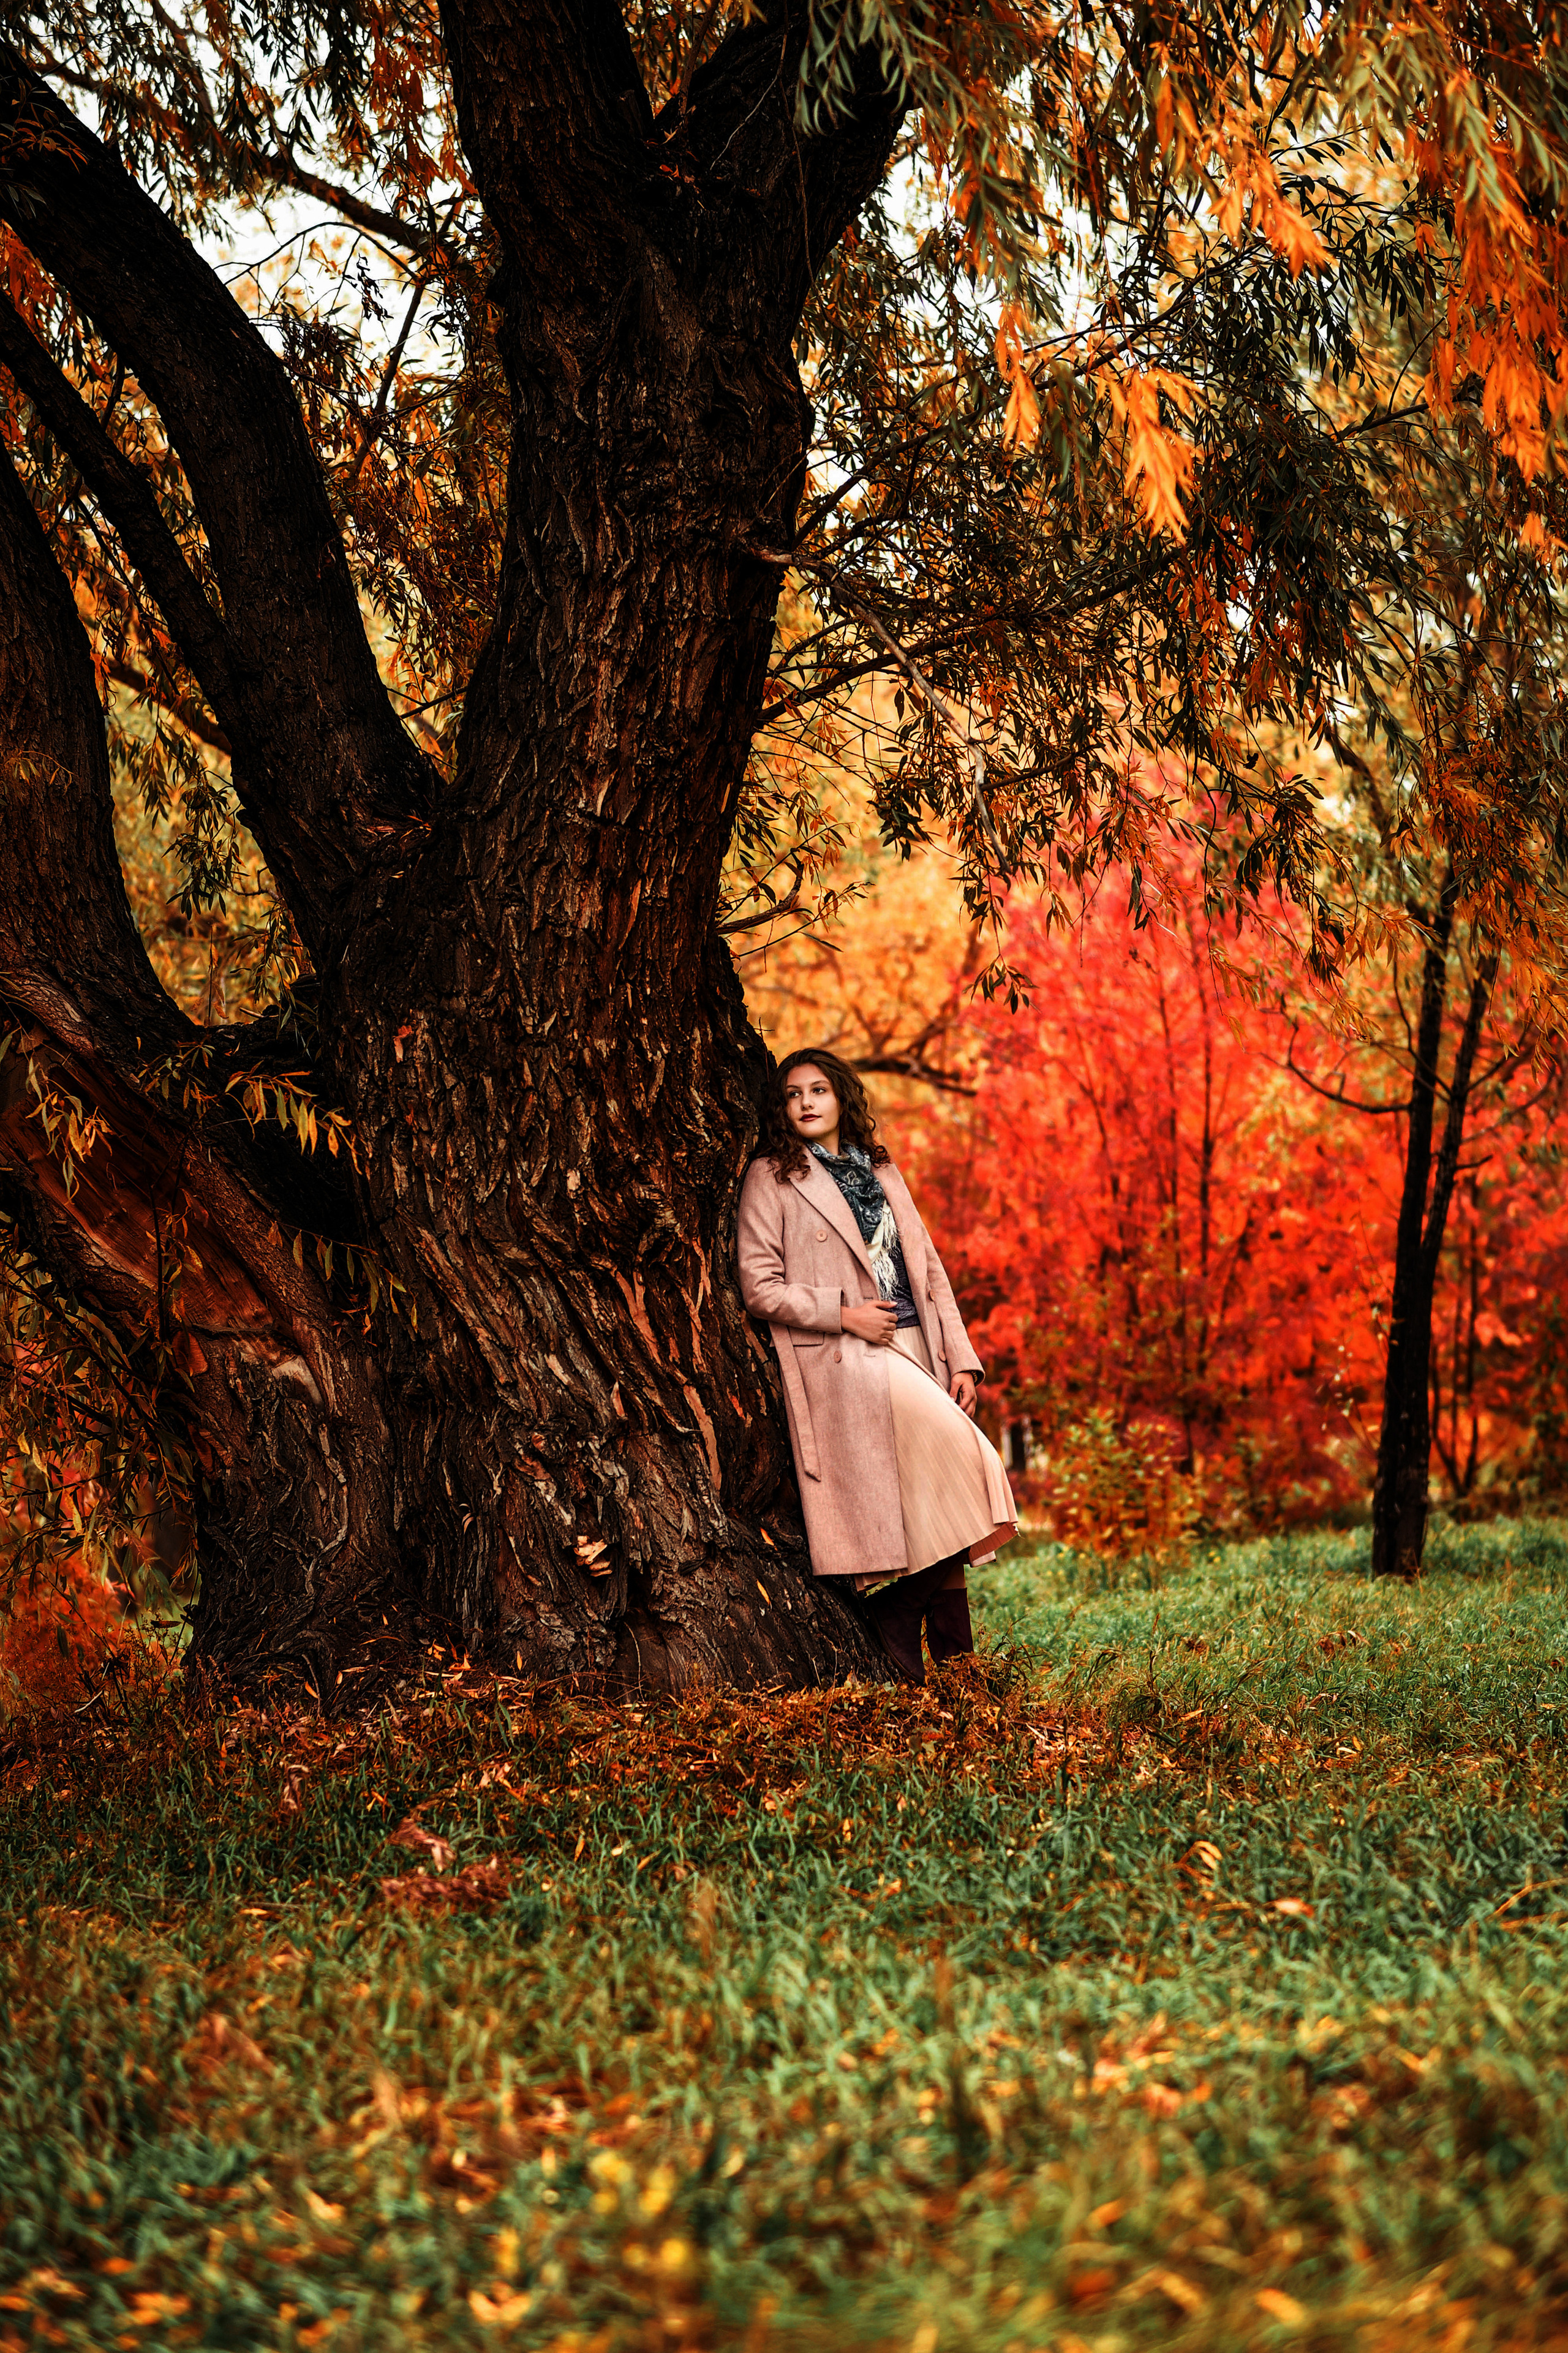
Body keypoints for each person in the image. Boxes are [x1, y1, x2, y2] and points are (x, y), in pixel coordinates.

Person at [737, 1046, 1016, 1682]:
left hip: (920, 1346)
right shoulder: (770, 1177)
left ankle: (953, 1666)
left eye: (818, 1090)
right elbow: (759, 1285)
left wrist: (962, 1358)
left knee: (939, 1498)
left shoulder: (882, 1170)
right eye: (791, 1094)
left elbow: (928, 1268)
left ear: (841, 1097)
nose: (806, 1102)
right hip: (848, 1356)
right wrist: (844, 1311)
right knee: (973, 1467)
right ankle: (896, 1613)